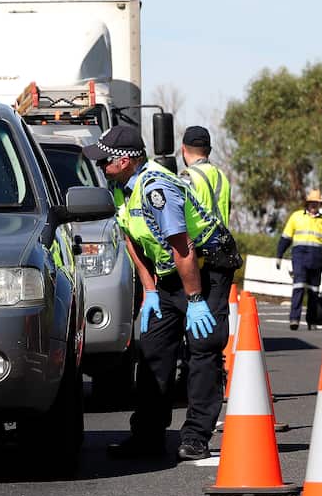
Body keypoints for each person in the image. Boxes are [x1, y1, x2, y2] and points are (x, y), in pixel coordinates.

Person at [84, 125, 239, 462]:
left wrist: (195, 301)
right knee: (153, 350)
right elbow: (131, 237)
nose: (100, 166)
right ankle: (147, 436)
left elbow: (182, 247)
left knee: (203, 349)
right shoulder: (121, 187)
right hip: (170, 273)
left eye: (104, 160)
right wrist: (150, 290)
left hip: (205, 267)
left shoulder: (157, 188)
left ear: (124, 160)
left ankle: (196, 437)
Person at [275, 189, 322, 330]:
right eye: (312, 203)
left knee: (314, 291)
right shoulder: (296, 217)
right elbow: (285, 238)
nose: (314, 206)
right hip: (300, 256)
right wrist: (279, 255)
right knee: (299, 287)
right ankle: (294, 319)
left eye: (317, 203)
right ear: (307, 204)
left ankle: (312, 320)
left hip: (316, 257)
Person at [179, 125, 232, 225]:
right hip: (223, 239)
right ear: (209, 150)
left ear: (183, 149)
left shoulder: (187, 176)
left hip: (197, 240)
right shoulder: (222, 177)